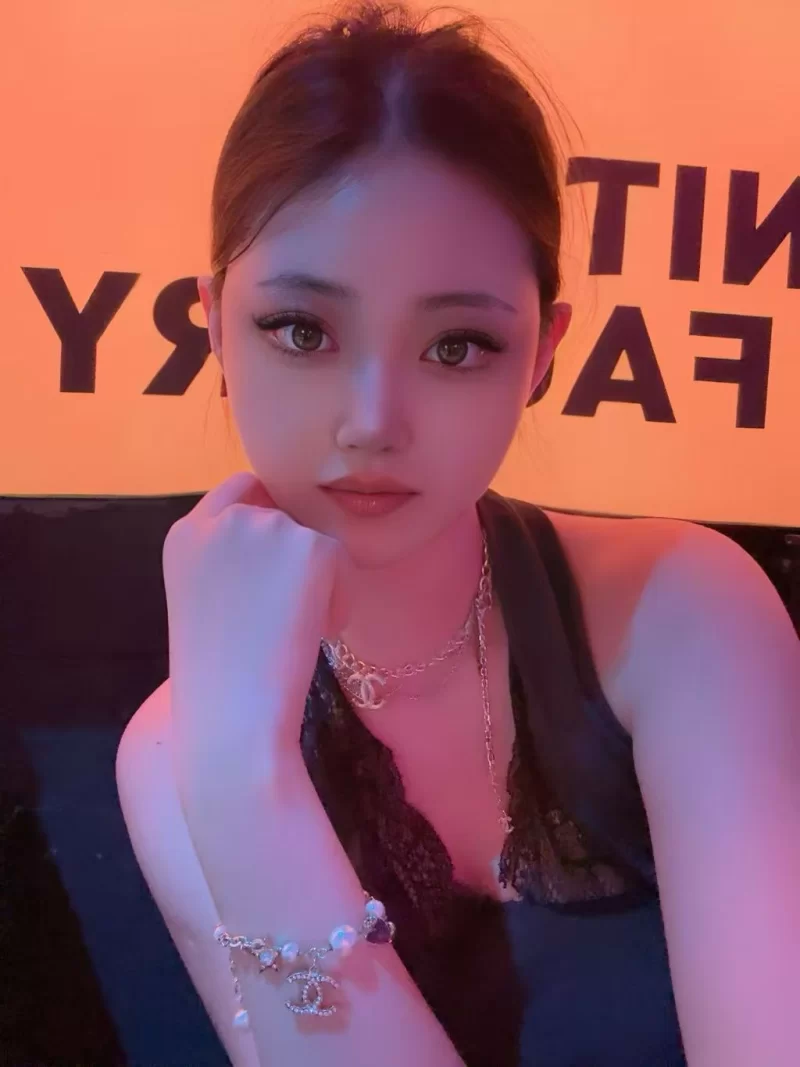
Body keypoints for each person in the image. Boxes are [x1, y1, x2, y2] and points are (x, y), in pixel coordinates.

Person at [115, 3, 800, 1065]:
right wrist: (243, 777)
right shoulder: (180, 749)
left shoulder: (681, 612)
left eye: (456, 344)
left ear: (542, 353)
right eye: (301, 329)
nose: (372, 420)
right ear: (213, 322)